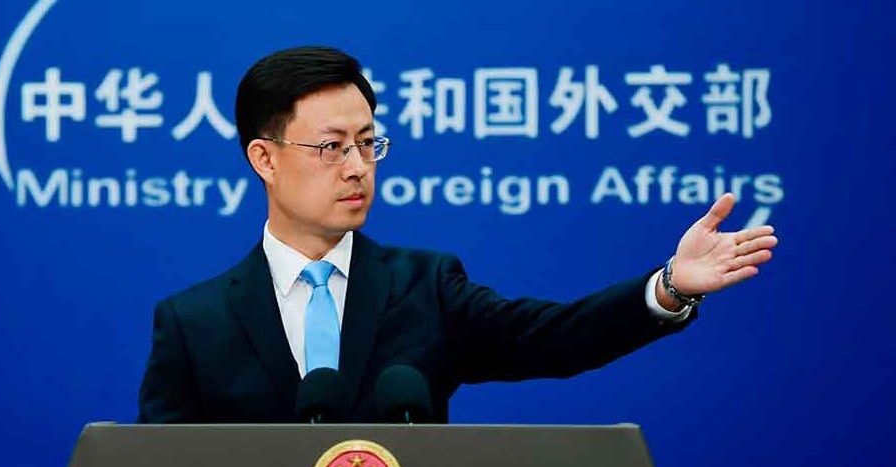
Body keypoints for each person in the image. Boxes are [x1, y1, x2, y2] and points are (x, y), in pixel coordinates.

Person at [136, 46, 777, 423]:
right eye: (332, 147)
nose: (358, 167)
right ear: (265, 159)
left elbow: (551, 339)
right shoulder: (194, 323)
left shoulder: (426, 286)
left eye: (367, 143)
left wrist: (667, 287)